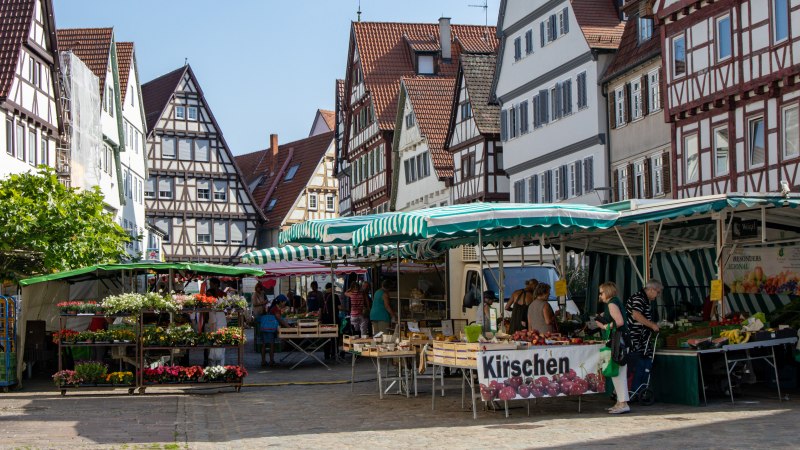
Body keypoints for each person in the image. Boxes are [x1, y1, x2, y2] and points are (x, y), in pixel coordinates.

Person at [596, 281, 630, 414]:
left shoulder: (611, 304)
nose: (600, 295)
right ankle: (619, 402)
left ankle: (623, 403)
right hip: (620, 339)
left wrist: (604, 326)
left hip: (618, 340)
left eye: (602, 292)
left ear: (607, 292)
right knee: (617, 371)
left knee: (618, 371)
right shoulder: (614, 302)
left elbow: (619, 322)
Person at [626, 280, 662, 392]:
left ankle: (636, 389)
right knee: (637, 363)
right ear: (651, 289)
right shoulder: (639, 298)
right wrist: (652, 325)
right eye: (658, 292)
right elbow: (636, 315)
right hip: (634, 337)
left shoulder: (644, 299)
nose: (658, 295)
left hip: (640, 338)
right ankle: (634, 390)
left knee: (643, 360)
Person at [260, 295, 290, 367]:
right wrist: (288, 327)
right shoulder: (276, 309)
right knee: (271, 344)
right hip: (270, 329)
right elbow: (279, 319)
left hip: (265, 327)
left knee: (264, 344)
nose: (284, 304)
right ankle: (271, 361)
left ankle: (263, 361)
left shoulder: (273, 307)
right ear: (280, 302)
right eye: (284, 303)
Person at [321, 283, 342, 360]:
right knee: (334, 336)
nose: (334, 289)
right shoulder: (335, 296)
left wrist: (320, 318)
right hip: (333, 319)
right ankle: (334, 353)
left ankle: (326, 355)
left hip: (324, 319)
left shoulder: (322, 296)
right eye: (333, 288)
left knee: (326, 337)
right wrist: (346, 309)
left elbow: (320, 309)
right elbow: (339, 307)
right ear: (330, 288)